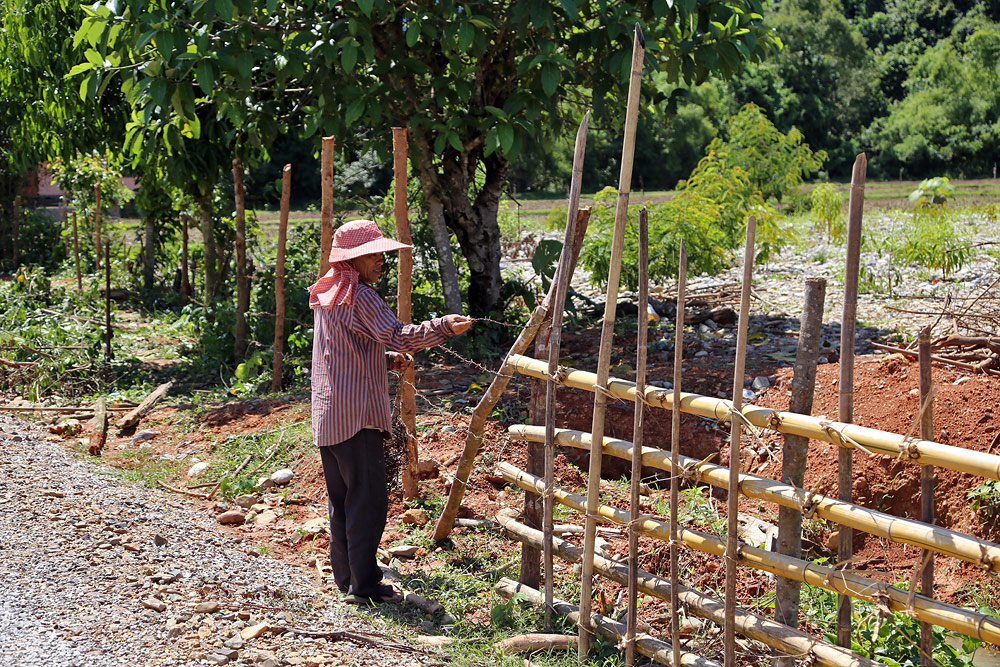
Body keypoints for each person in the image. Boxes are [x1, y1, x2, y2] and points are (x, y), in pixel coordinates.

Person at [309, 219, 473, 604]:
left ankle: (347, 578)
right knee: (368, 502)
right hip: (358, 417)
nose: (381, 260)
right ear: (353, 259)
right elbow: (399, 334)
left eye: (381, 253)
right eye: (373, 254)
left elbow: (341, 351)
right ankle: (364, 587)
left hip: (329, 415)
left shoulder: (329, 293)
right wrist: (443, 326)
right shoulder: (360, 296)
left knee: (343, 501)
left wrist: (383, 360)